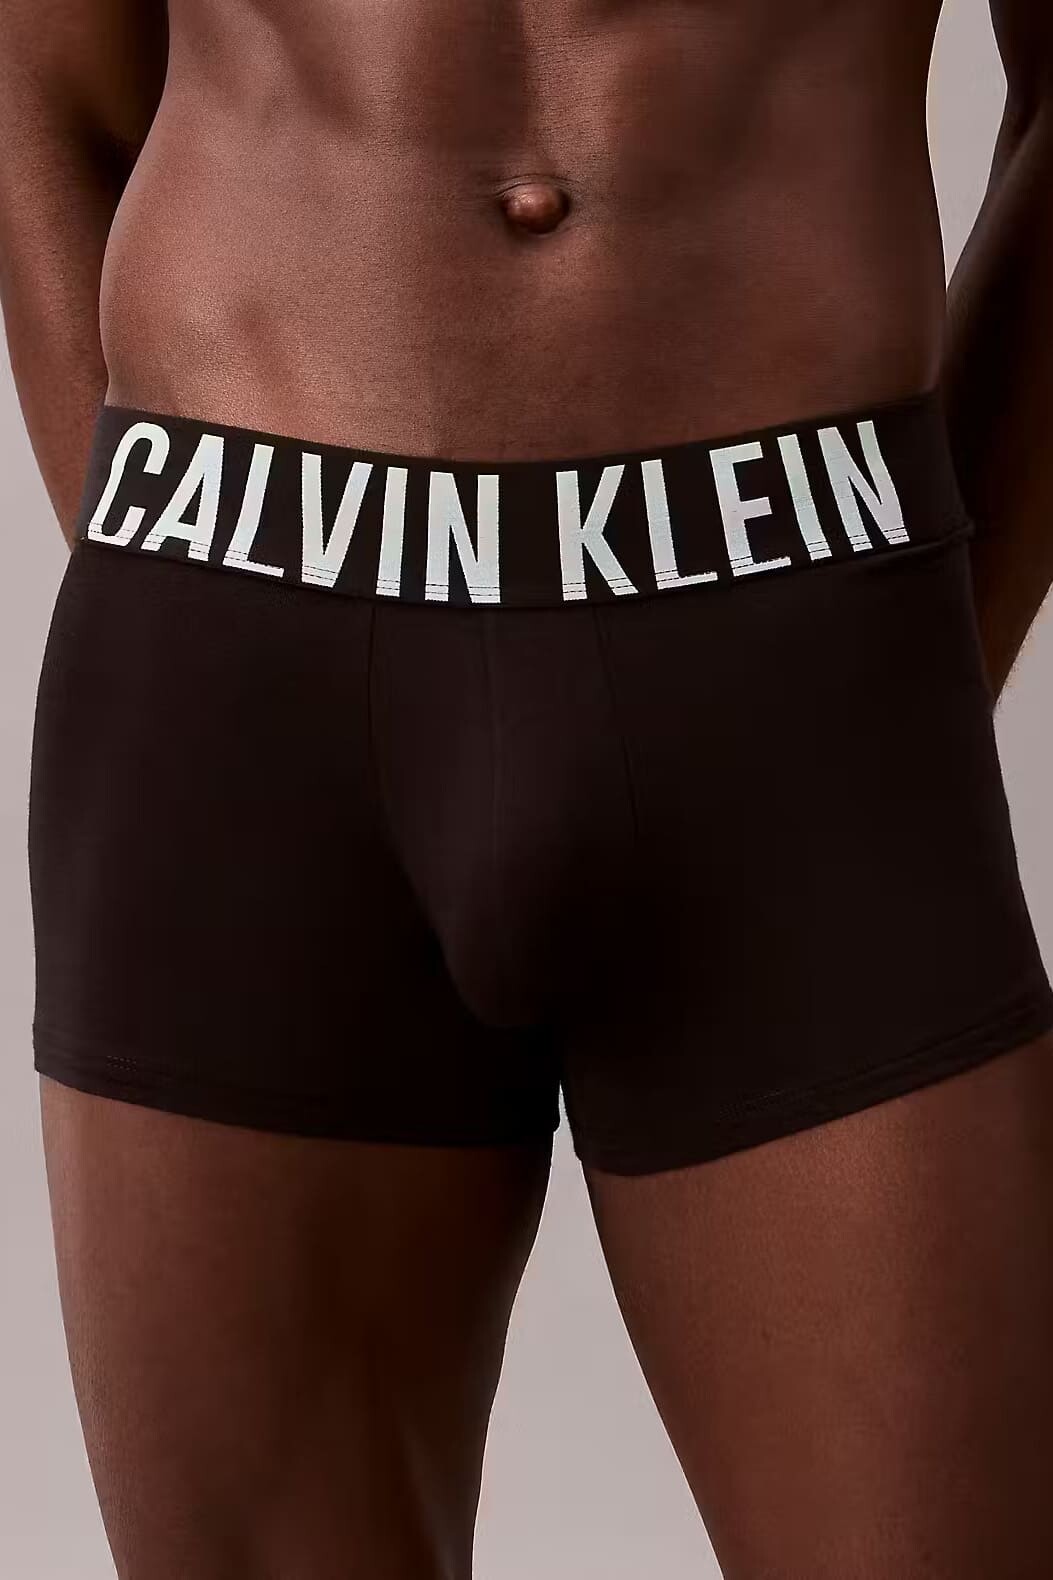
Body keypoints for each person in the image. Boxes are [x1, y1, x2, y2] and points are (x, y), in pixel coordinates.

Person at [2, 1, 1052, 1575]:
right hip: (241, 646)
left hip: (795, 635)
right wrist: (208, 609)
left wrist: (893, 654)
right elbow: (39, 88)